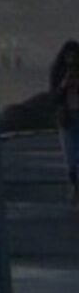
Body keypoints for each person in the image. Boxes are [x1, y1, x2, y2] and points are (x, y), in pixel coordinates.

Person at [53, 38, 79, 208]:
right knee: (70, 156)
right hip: (67, 117)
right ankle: (75, 186)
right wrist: (64, 85)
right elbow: (54, 97)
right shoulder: (59, 72)